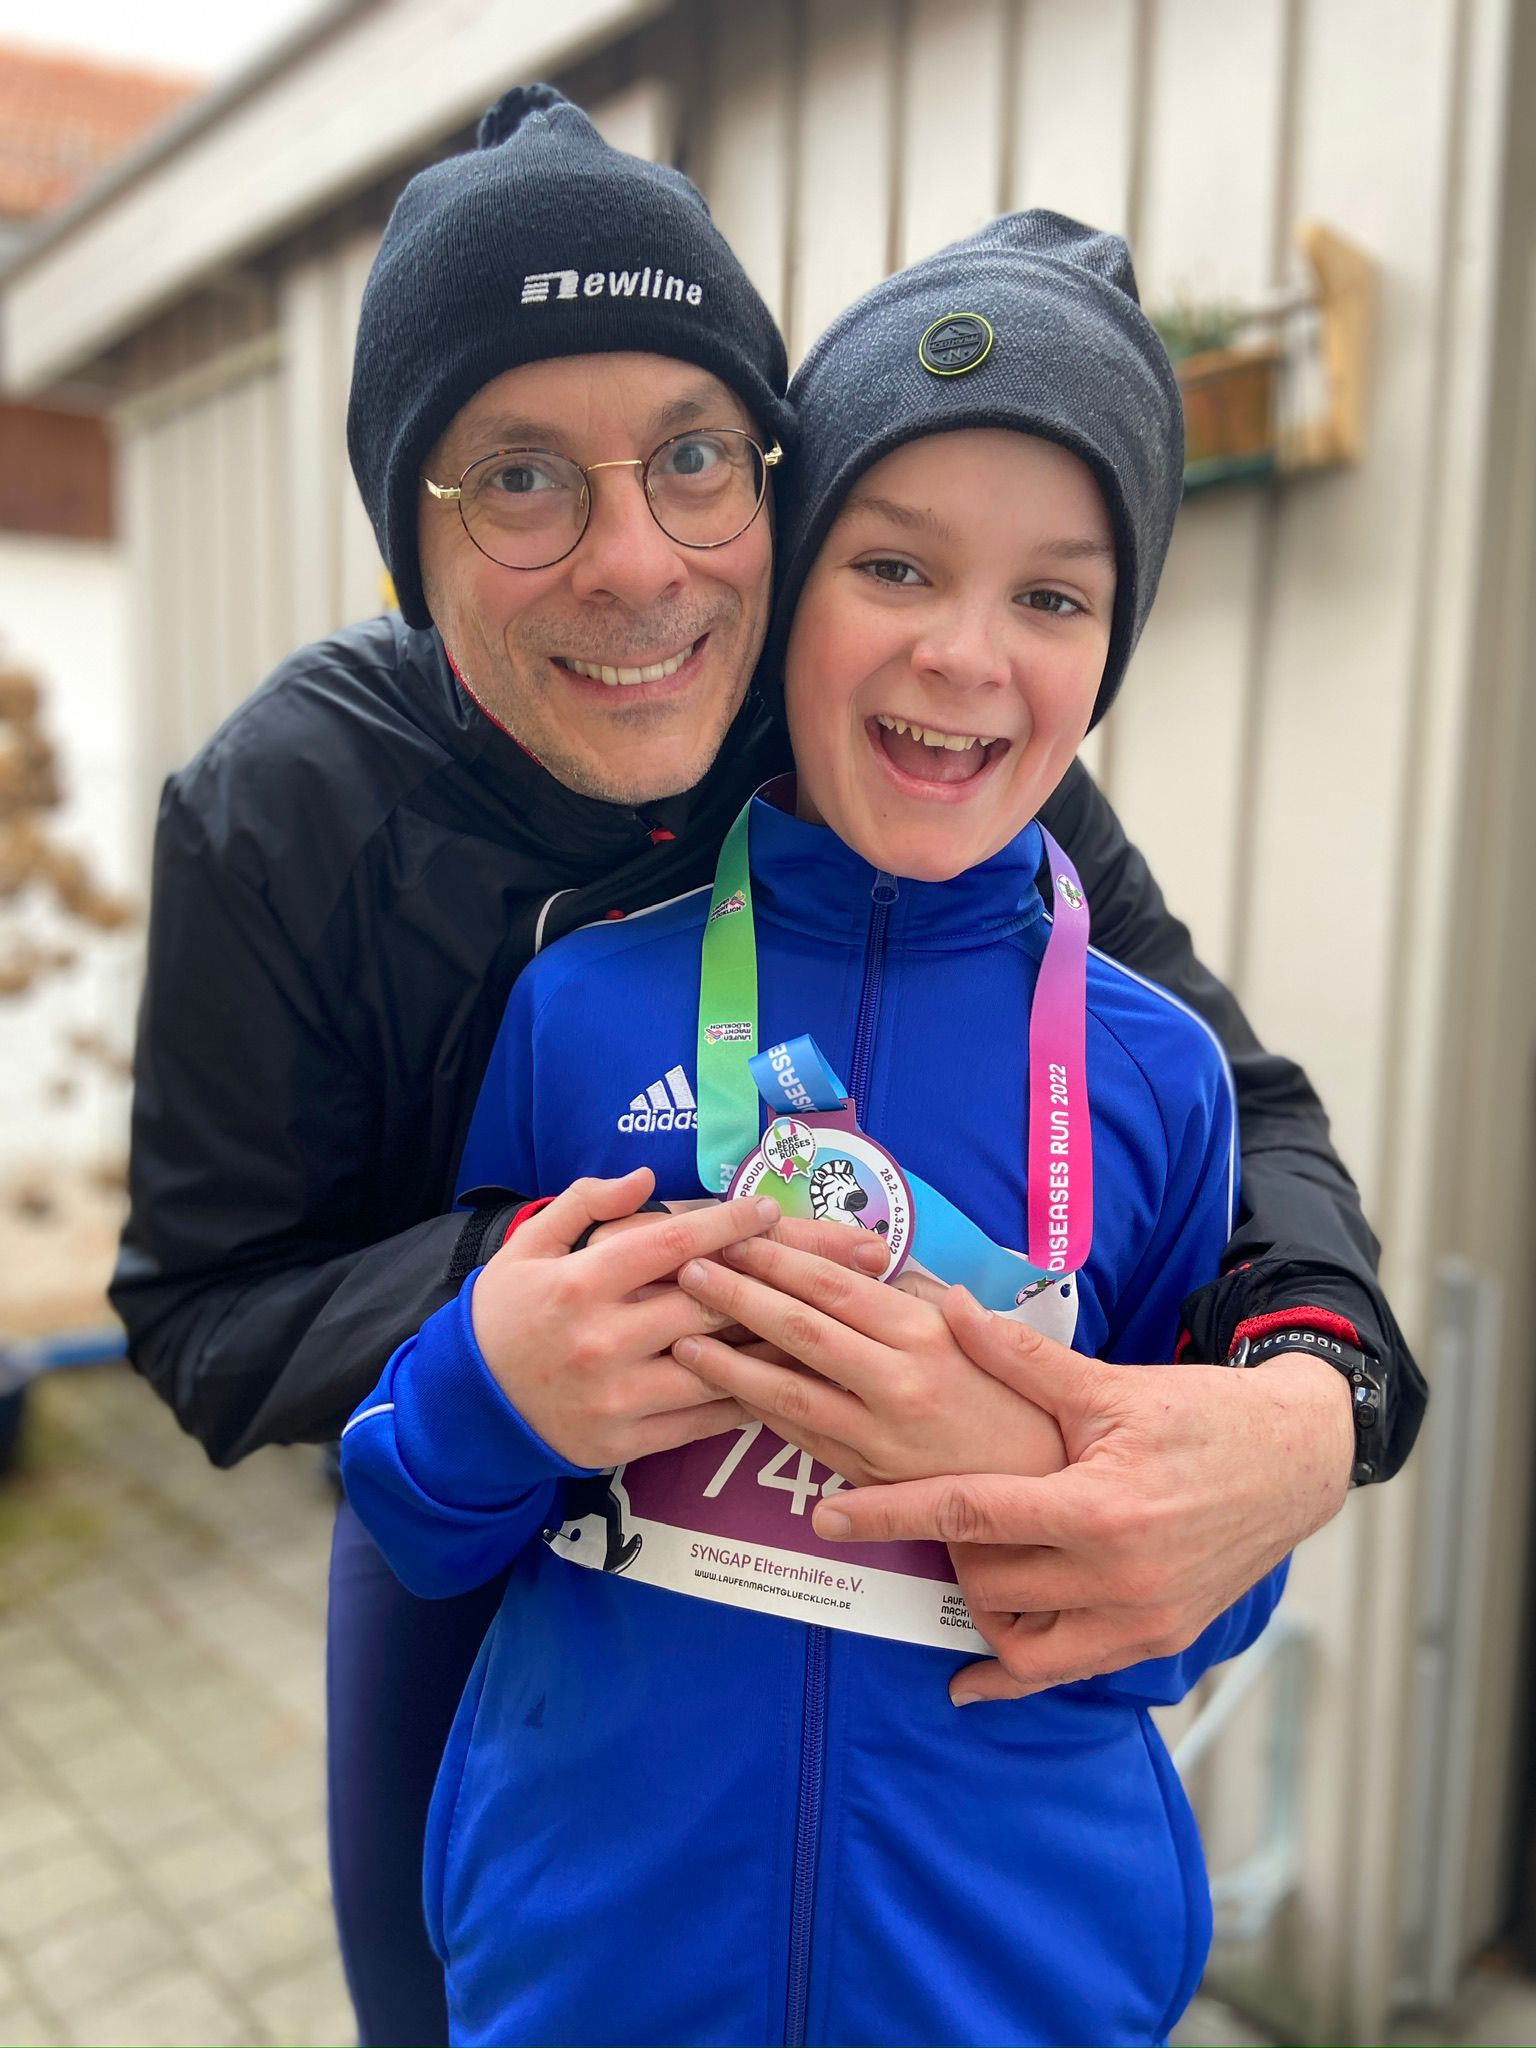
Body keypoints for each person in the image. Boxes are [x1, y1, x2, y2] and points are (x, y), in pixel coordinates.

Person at [110, 85, 1423, 2047]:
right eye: (520, 478)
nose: (639, 570)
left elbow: (1242, 1112)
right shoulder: (282, 809)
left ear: (775, 491)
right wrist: (529, 1290)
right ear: (410, 531)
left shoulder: (885, 732)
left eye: (694, 459)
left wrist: (1310, 1404)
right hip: (472, 1521)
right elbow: (203, 1312)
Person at [340, 207, 1289, 2048]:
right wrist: (489, 1391)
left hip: (1007, 1982)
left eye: (1054, 597)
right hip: (594, 1975)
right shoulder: (577, 1005)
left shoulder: (1163, 1076)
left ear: (1112, 648)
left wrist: (1053, 1499)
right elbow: (426, 1518)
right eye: (895, 565)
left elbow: (1202, 1598)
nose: (963, 654)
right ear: (790, 590)